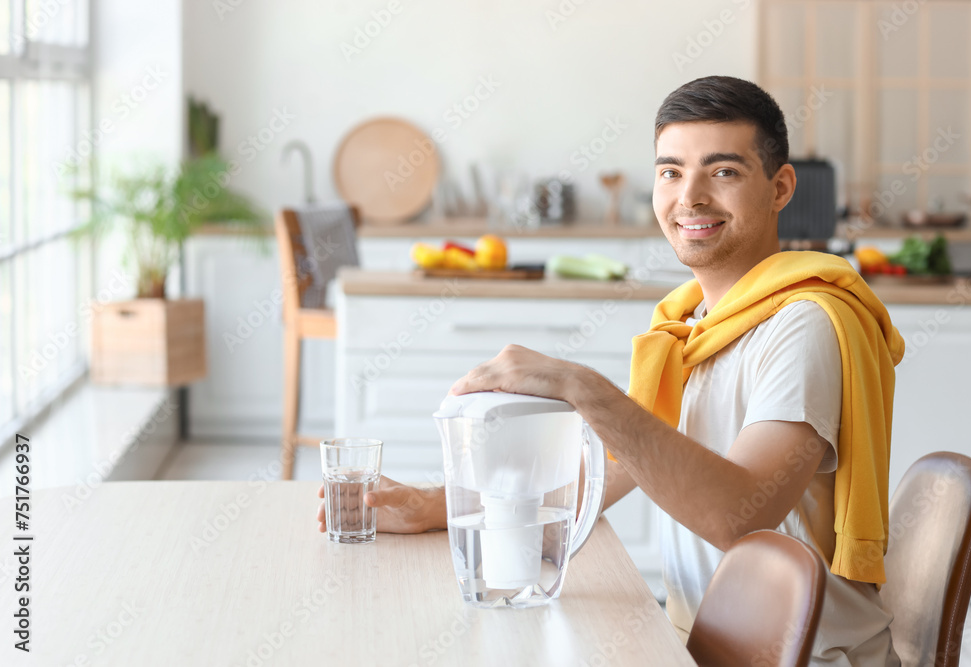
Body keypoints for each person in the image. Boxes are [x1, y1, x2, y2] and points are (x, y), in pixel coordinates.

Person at [316, 76, 905, 666]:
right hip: (707, 646)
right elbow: (598, 481)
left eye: (723, 172)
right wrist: (432, 504)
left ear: (780, 188)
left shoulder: (802, 324)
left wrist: (581, 388)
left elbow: (741, 516)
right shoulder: (693, 326)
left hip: (807, 657)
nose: (690, 197)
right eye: (671, 172)